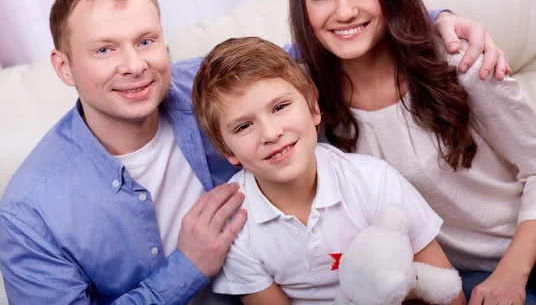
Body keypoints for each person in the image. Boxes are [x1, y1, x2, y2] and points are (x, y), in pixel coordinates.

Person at [0, 0, 505, 304]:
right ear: (63, 66)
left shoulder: (207, 88)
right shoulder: (32, 210)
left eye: (146, 41)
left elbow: (315, 50)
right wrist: (187, 268)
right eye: (104, 50)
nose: (135, 65)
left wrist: (438, 22)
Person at [288, 0, 536, 305]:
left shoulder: (460, 61)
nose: (345, 11)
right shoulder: (301, 100)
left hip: (522, 253)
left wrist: (511, 273)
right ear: (302, 7)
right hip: (445, 283)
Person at [191, 36, 465, 305]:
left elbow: (447, 294)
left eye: (280, 107)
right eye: (243, 126)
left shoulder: (374, 181)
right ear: (227, 151)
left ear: (313, 107)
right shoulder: (235, 226)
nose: (271, 133)